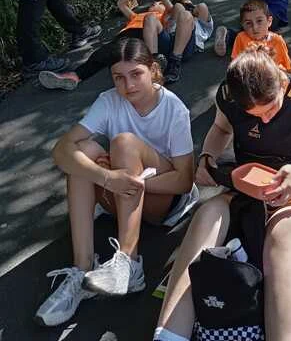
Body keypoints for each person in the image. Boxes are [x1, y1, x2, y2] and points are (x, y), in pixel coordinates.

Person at [154, 47, 291, 341]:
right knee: (207, 216)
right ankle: (168, 336)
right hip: (245, 190)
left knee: (282, 239)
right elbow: (220, 127)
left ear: (281, 81)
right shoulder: (229, 94)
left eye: (271, 109)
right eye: (255, 115)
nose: (264, 121)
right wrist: (208, 156)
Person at [34, 37, 196, 327]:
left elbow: (184, 181)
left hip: (162, 199)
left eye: (136, 74)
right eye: (119, 77)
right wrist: (108, 177)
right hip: (120, 190)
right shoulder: (109, 100)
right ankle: (82, 269)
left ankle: (130, 263)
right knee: (81, 151)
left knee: (123, 143)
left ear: (153, 70)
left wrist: (129, 180)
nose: (128, 85)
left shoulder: (174, 109)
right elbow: (61, 150)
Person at [38, 0, 207, 89]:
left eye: (158, 3)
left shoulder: (163, 17)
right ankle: (74, 77)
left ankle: (161, 64)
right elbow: (120, 4)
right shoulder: (138, 16)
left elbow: (172, 9)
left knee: (178, 11)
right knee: (101, 54)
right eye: (154, 3)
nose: (155, 4)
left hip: (153, 39)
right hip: (128, 38)